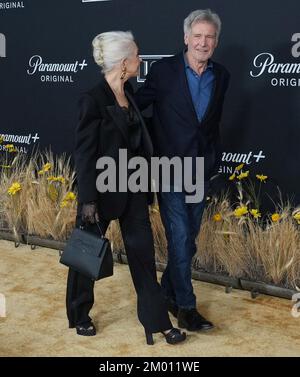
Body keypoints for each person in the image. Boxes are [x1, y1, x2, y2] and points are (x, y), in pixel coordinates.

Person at [66, 31, 186, 345]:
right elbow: (84, 153)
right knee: (85, 258)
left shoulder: (129, 91)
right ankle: (79, 314)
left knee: (144, 258)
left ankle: (156, 322)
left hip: (132, 189)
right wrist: (88, 200)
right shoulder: (92, 100)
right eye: (136, 55)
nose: (140, 59)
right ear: (123, 62)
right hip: (101, 193)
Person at [135, 9, 230, 331]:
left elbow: (210, 124)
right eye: (198, 36)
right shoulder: (163, 71)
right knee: (178, 237)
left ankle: (167, 294)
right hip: (169, 168)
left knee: (188, 241)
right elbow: (136, 107)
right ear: (186, 38)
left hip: (200, 170)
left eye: (210, 37)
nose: (203, 42)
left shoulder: (222, 76)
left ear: (216, 42)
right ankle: (187, 308)